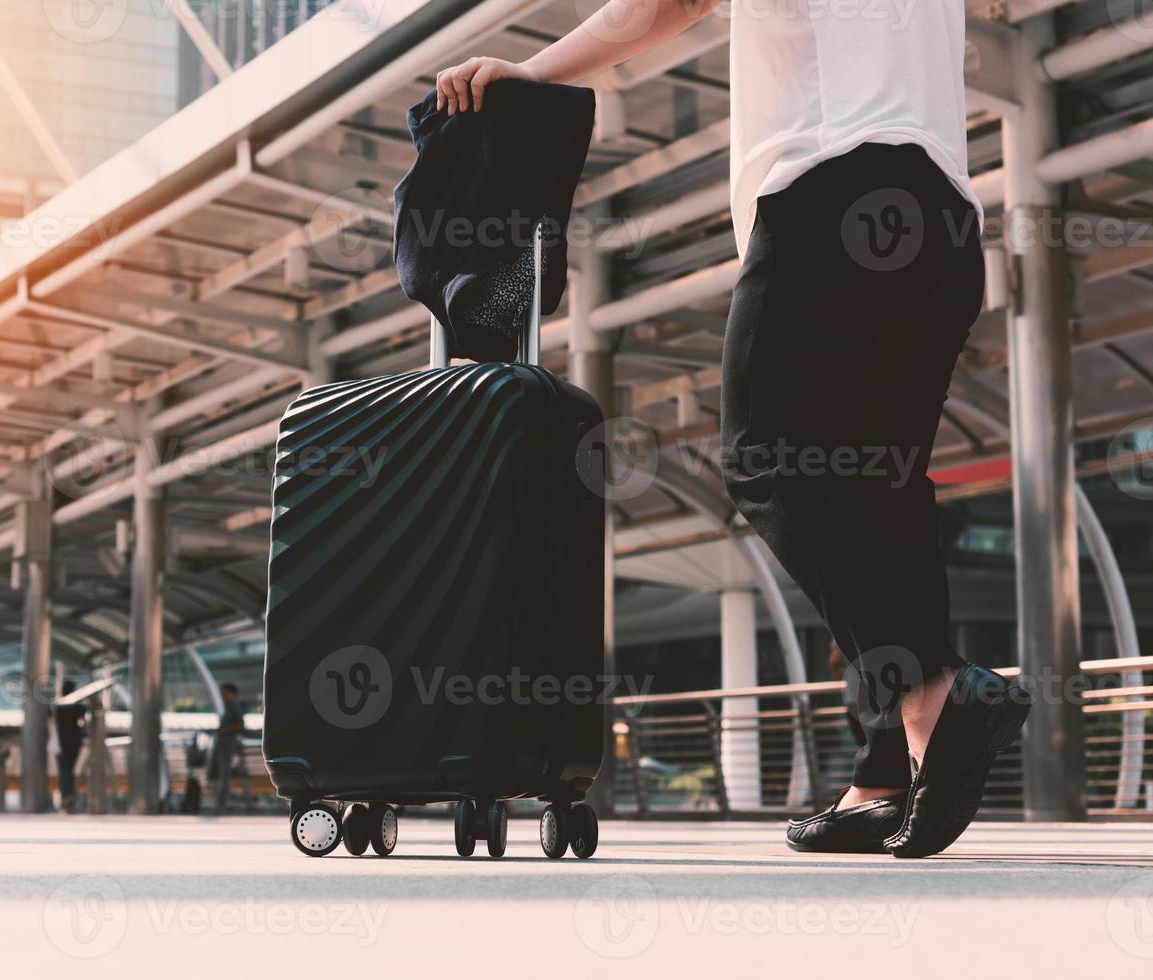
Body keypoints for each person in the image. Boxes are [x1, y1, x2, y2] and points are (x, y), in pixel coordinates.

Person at [434, 0, 1028, 858]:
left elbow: (658, 7)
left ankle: (932, 694)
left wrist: (532, 71)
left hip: (832, 191)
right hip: (941, 218)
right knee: (880, 484)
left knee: (767, 461)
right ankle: (887, 769)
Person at [207, 682, 245, 814]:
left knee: (224, 777)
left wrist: (224, 730)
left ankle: (221, 805)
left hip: (227, 746)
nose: (222, 695)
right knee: (222, 776)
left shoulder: (233, 706)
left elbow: (240, 726)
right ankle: (220, 804)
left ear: (231, 693)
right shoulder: (229, 706)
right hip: (224, 746)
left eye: (224, 692)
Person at [54, 679, 88, 813]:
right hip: (75, 740)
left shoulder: (57, 706)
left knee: (64, 770)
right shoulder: (78, 706)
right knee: (70, 769)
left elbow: (51, 722)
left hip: (60, 741)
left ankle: (65, 798)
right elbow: (85, 724)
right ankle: (69, 799)